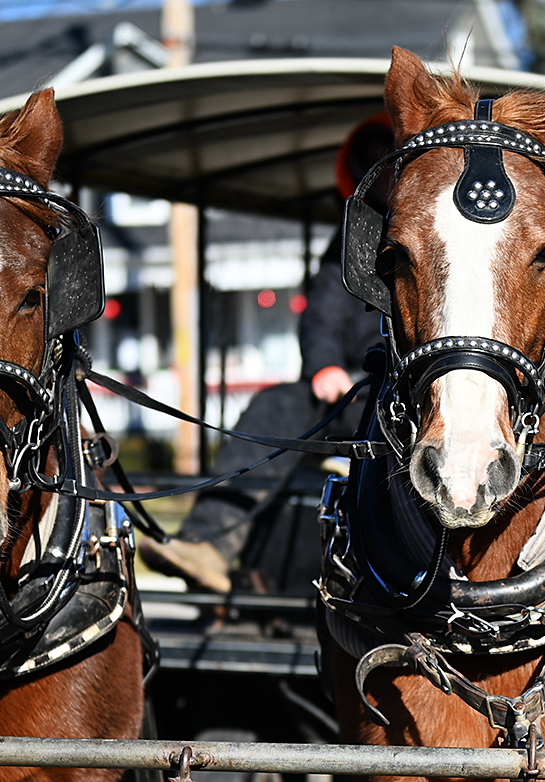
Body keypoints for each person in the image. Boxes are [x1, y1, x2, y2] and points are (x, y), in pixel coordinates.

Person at [140, 115, 392, 593]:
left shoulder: (445, 234)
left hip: (414, 398)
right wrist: (324, 366)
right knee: (277, 403)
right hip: (350, 399)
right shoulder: (351, 246)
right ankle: (208, 544)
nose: (381, 175)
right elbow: (321, 315)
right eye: (371, 166)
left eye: (387, 163)